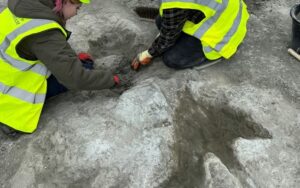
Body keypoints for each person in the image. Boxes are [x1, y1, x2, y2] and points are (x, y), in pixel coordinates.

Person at [0, 0, 123, 135]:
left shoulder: (25, 6)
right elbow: (75, 78)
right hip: (8, 98)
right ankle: (11, 120)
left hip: (7, 74)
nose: (76, 13)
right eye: (78, 7)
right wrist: (110, 80)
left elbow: (39, 48)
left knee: (77, 65)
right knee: (83, 68)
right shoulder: (44, 32)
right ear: (65, 2)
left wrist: (72, 58)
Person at [131, 0, 250, 70]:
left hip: (224, 32)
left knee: (171, 59)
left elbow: (167, 38)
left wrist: (148, 54)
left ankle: (213, 55)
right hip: (218, 13)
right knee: (161, 21)